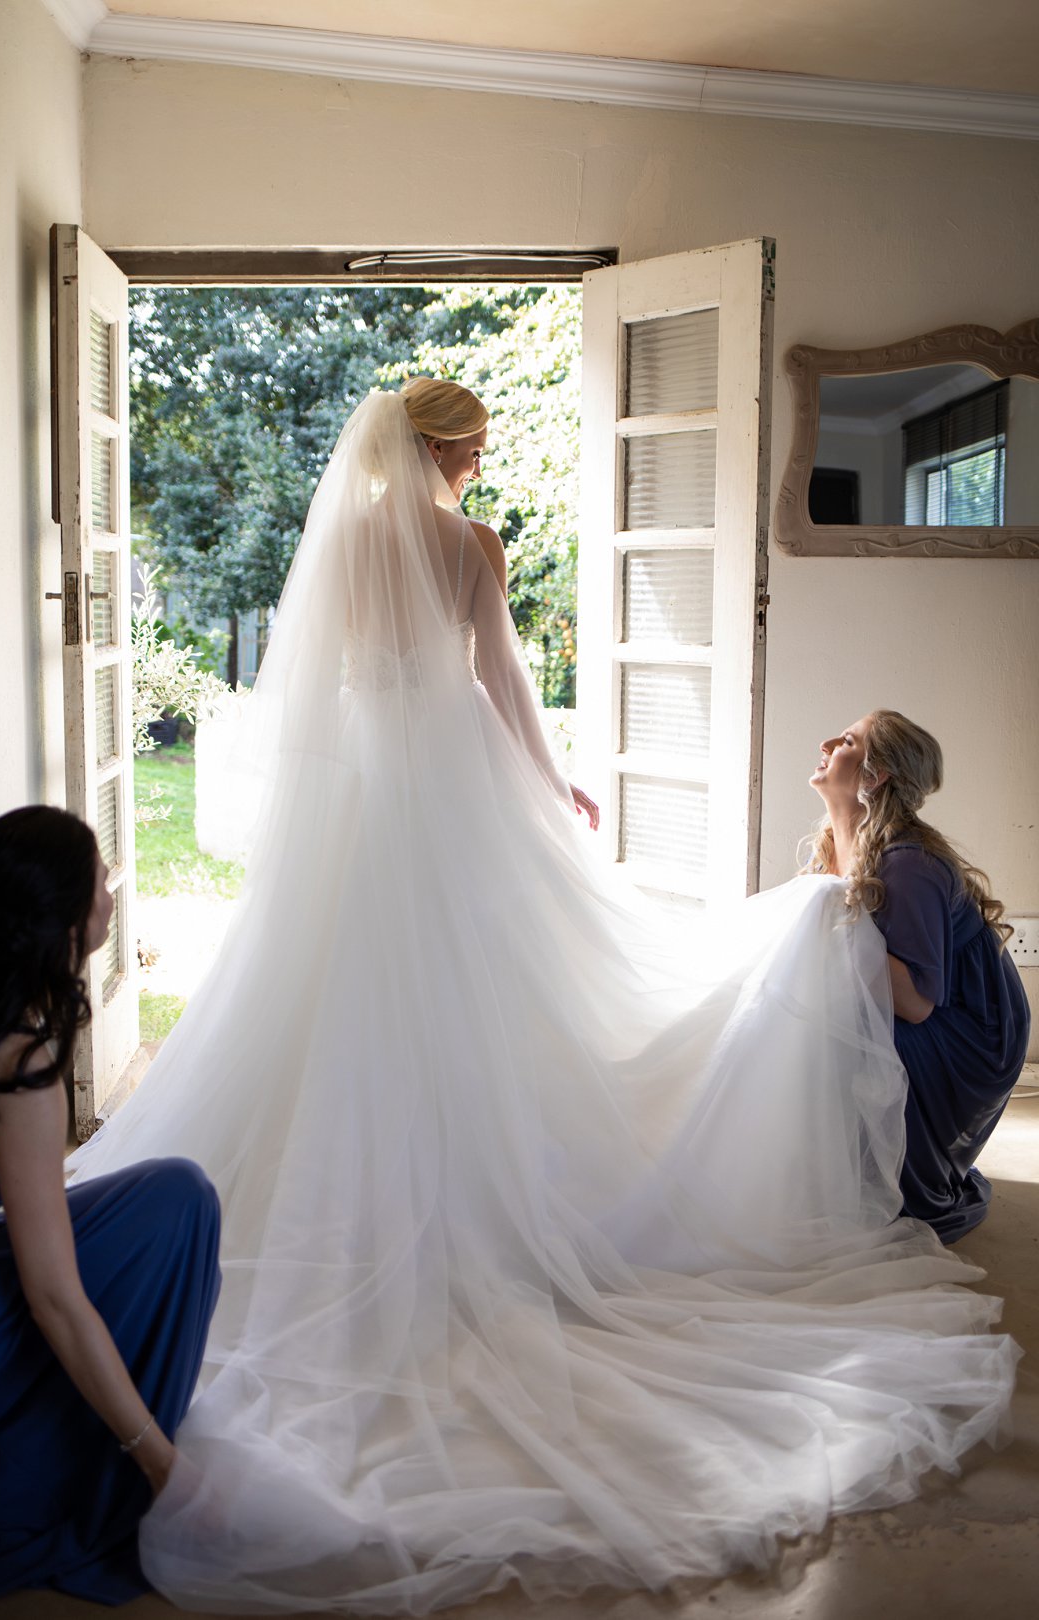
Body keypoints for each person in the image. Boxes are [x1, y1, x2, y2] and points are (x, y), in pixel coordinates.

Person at [69, 382, 1018, 1614]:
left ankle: (339, 1182)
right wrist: (551, 785)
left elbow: (311, 692)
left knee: (333, 998)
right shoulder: (471, 543)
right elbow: (503, 686)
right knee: (485, 994)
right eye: (473, 447)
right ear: (447, 449)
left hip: (360, 794)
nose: (477, 464)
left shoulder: (344, 539)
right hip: (449, 785)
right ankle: (482, 1184)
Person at [0, 805, 221, 1609]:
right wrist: (163, 1468)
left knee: (146, 1201)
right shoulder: (17, 1050)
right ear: (66, 923)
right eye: (101, 879)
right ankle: (98, 1487)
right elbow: (55, 1300)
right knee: (176, 1207)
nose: (112, 890)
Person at [808, 708, 1030, 1241]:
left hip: (972, 1030)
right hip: (935, 1004)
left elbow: (915, 1004)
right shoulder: (853, 839)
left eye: (848, 741)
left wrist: (835, 932)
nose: (827, 744)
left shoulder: (908, 864)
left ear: (876, 774)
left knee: (831, 1036)